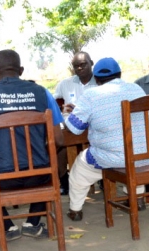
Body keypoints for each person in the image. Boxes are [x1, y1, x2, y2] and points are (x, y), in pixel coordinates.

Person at [0, 49, 65, 240]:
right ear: (21, 70)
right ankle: (32, 224)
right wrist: (39, 156)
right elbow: (59, 140)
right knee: (52, 172)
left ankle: (7, 227)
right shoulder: (41, 93)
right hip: (38, 174)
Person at [64, 57, 149, 221]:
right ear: (120, 74)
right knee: (133, 150)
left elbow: (74, 129)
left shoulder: (91, 95)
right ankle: (137, 199)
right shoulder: (136, 88)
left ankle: (75, 210)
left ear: (96, 79)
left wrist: (69, 114)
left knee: (79, 169)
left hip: (119, 158)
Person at [53, 52, 96, 195]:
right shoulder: (65, 84)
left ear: (91, 63)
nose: (79, 68)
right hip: (70, 127)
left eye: (83, 64)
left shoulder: (101, 82)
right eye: (76, 66)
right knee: (59, 145)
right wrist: (61, 108)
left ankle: (102, 179)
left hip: (95, 126)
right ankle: (64, 181)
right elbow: (54, 105)